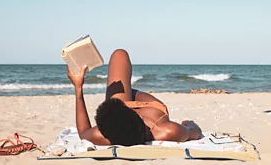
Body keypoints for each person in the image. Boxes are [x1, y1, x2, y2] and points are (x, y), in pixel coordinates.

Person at [67, 49, 203, 146]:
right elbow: (195, 131)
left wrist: (78, 87)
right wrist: (188, 123)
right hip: (150, 107)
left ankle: (124, 91)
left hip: (122, 114)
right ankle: (126, 91)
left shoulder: (102, 136)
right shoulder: (168, 131)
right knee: (120, 56)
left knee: (119, 55)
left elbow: (83, 132)